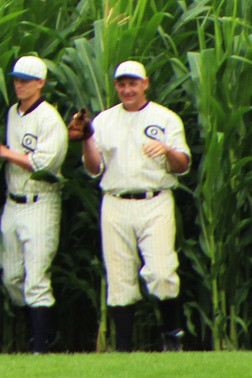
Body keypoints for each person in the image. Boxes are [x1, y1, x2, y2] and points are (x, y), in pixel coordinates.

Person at [73, 60, 191, 352]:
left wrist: (166, 149)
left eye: (133, 83)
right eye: (122, 84)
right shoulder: (103, 120)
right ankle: (124, 350)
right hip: (115, 201)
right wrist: (87, 136)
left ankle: (171, 336)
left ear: (145, 84)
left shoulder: (165, 118)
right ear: (116, 86)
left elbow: (183, 165)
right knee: (119, 276)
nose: (127, 89)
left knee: (162, 272)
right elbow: (93, 167)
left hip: (155, 200)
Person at [0, 56, 68, 353]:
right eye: (16, 79)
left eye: (25, 79)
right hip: (13, 202)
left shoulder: (49, 118)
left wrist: (2, 152)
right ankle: (48, 333)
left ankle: (40, 349)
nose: (19, 84)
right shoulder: (14, 112)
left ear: (40, 83)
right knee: (12, 277)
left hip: (40, 200)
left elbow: (41, 164)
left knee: (36, 278)